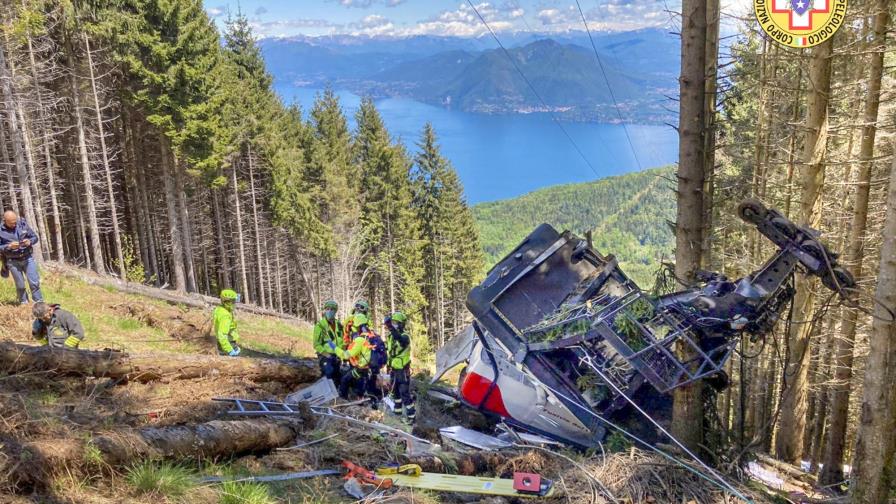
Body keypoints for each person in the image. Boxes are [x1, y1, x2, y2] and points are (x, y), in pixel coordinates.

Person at [0, 210, 42, 304]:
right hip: (12, 261)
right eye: (11, 223)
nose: (14, 224)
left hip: (27, 258)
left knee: (34, 282)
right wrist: (8, 246)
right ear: (5, 221)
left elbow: (34, 237)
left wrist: (29, 242)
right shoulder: (0, 230)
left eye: (15, 222)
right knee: (20, 285)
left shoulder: (22, 224)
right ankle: (24, 304)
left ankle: (39, 303)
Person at [338, 313, 376, 404]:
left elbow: (349, 354)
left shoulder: (360, 339)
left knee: (345, 380)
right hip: (368, 367)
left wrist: (336, 350)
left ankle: (344, 401)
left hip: (361, 368)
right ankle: (361, 399)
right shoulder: (371, 335)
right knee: (360, 383)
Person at [385, 311, 415, 424]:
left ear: (401, 324)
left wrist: (390, 327)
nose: (394, 325)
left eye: (396, 323)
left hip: (403, 371)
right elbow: (390, 352)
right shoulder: (390, 337)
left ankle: (411, 417)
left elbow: (401, 341)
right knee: (395, 393)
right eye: (392, 323)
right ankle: (397, 414)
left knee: (405, 394)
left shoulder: (405, 337)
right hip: (393, 369)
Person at [313, 299, 344, 382]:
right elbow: (316, 345)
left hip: (337, 356)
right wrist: (327, 355)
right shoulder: (320, 326)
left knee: (337, 377)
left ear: (335, 311)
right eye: (327, 309)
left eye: (332, 309)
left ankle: (337, 393)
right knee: (328, 372)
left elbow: (343, 340)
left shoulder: (339, 325)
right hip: (325, 356)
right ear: (325, 310)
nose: (329, 311)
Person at [214, 289, 241, 356]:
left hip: (223, 343)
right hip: (228, 343)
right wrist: (230, 350)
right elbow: (222, 335)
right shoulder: (225, 316)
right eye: (234, 301)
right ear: (228, 302)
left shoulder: (220, 309)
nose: (235, 304)